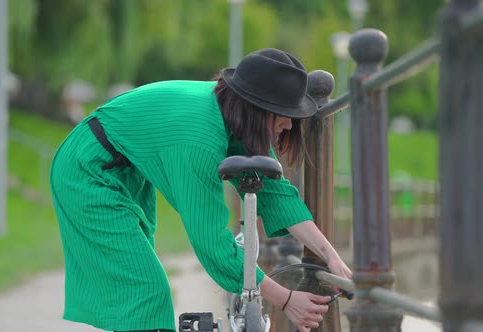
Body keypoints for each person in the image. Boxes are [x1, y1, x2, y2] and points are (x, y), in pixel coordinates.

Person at [50, 48, 352, 332]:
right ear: (258, 109)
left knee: (137, 292)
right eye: (283, 112)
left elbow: (276, 193)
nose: (289, 124)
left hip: (125, 168)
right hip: (89, 170)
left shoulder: (232, 115)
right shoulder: (200, 141)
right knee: (144, 290)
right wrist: (285, 299)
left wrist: (331, 257)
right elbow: (213, 246)